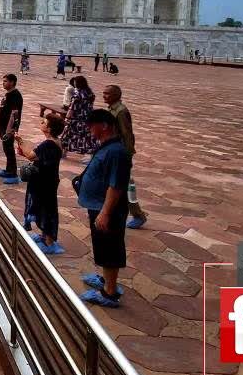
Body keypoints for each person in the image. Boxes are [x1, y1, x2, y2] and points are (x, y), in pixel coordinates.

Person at [77, 109, 132, 308]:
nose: (89, 129)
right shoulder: (107, 147)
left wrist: (105, 212)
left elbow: (116, 185)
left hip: (107, 209)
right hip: (98, 205)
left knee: (110, 248)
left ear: (105, 125)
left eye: (92, 125)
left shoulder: (116, 152)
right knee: (103, 246)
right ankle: (107, 280)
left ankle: (109, 292)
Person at [15, 116, 65, 254]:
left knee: (46, 209)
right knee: (43, 207)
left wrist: (21, 141)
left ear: (49, 128)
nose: (41, 123)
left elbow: (31, 155)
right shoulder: (53, 142)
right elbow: (37, 157)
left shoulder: (49, 144)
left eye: (44, 123)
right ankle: (44, 236)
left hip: (45, 182)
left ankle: (49, 242)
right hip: (48, 180)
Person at [103, 85, 149, 229]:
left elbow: (127, 134)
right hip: (111, 151)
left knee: (125, 185)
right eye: (103, 93)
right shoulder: (112, 109)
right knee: (110, 183)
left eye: (107, 94)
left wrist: (127, 155)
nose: (104, 96)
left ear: (116, 95)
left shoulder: (121, 112)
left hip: (120, 154)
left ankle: (138, 215)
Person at [0, 73, 24, 184]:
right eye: (3, 81)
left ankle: (13, 174)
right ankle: (8, 169)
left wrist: (9, 130)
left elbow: (14, 113)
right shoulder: (8, 94)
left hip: (8, 128)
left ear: (12, 82)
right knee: (6, 149)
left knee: (9, 150)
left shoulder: (15, 95)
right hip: (3, 126)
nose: (3, 83)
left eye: (6, 81)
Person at [59, 76, 97, 155]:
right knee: (87, 137)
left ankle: (63, 152)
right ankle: (91, 154)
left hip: (76, 118)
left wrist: (66, 119)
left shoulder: (77, 95)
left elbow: (72, 108)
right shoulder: (89, 93)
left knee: (66, 135)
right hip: (87, 118)